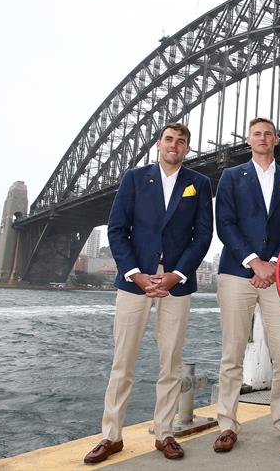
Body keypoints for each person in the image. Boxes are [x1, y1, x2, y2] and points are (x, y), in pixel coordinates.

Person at [83, 122, 213, 464]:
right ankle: (111, 436)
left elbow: (202, 236)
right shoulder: (135, 178)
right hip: (134, 282)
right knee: (122, 361)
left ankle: (165, 432)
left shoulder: (199, 184)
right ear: (159, 143)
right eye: (169, 139)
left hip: (176, 283)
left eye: (181, 141)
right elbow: (116, 228)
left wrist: (176, 274)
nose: (175, 145)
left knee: (170, 362)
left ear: (187, 149)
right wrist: (136, 274)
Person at [213, 117, 280, 452]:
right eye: (256, 134)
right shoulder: (232, 177)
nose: (263, 138)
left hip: (279, 272)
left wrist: (274, 262)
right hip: (238, 272)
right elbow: (226, 223)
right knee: (232, 352)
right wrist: (254, 261)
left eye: (268, 134)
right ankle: (227, 424)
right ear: (248, 140)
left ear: (276, 139)